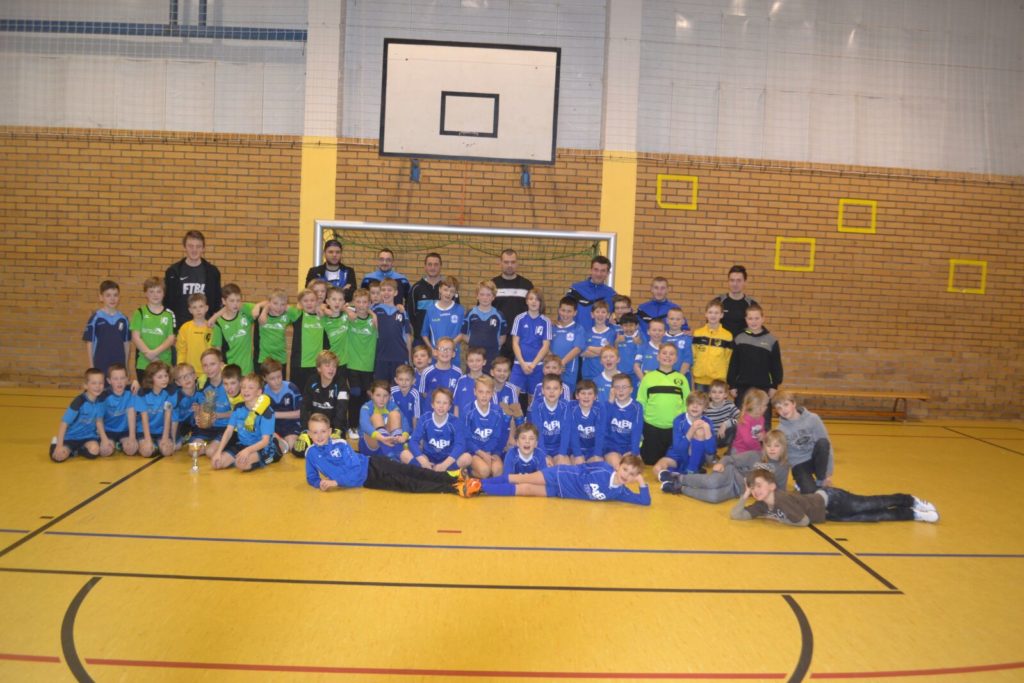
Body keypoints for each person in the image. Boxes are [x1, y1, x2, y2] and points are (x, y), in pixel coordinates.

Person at [305, 414, 480, 497]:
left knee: (411, 471)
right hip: (370, 480)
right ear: (309, 434)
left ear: (329, 431)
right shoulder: (311, 454)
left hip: (372, 465)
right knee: (409, 485)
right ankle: (454, 488)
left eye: (323, 431)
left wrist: (336, 482)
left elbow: (355, 470)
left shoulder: (341, 444)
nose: (319, 436)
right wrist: (319, 483)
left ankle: (452, 475)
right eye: (315, 432)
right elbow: (311, 477)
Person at [731, 468, 938, 525]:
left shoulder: (782, 499)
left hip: (832, 499)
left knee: (871, 503)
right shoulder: (762, 505)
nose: (756, 490)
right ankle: (913, 515)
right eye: (753, 488)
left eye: (759, 486)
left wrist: (777, 518)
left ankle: (911, 500)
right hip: (828, 515)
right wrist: (745, 495)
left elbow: (803, 521)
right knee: (874, 516)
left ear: (772, 486)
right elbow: (736, 515)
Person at [660, 429, 790, 502]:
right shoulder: (755, 455)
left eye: (776, 446)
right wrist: (721, 463)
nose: (772, 449)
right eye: (768, 445)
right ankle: (679, 478)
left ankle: (680, 489)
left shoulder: (783, 467)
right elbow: (730, 458)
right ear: (764, 446)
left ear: (783, 447)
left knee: (714, 497)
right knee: (712, 482)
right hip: (731, 474)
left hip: (737, 490)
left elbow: (780, 490)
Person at [479, 454, 651, 505]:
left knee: (525, 489)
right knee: (521, 478)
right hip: (560, 474)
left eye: (631, 474)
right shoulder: (604, 469)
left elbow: (644, 501)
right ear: (618, 466)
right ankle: (479, 483)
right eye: (625, 469)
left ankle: (481, 489)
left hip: (562, 492)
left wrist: (641, 482)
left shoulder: (620, 492)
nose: (626, 475)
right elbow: (582, 468)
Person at [727, 304, 783, 427]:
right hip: (742, 387)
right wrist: (732, 385)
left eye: (757, 318)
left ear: (763, 319)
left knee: (764, 421)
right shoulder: (739, 338)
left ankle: (765, 440)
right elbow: (734, 363)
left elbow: (776, 365)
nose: (753, 321)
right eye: (750, 318)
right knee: (740, 420)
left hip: (763, 387)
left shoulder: (771, 340)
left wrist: (774, 385)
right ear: (746, 320)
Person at [210, 372, 280, 471]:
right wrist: (218, 451)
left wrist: (247, 451)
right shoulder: (238, 407)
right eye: (243, 387)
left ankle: (274, 453)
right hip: (243, 444)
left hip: (262, 447)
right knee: (217, 463)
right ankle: (242, 457)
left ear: (259, 392)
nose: (246, 390)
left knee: (241, 465)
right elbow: (229, 431)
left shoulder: (267, 412)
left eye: (250, 388)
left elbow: (265, 441)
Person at [637, 344, 690, 466]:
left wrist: (683, 425)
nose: (668, 356)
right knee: (649, 462)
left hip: (674, 429)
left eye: (672, 354)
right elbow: (641, 402)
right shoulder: (648, 378)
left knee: (673, 462)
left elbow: (686, 404)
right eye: (664, 353)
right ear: (658, 356)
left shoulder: (681, 379)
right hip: (651, 428)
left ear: (676, 359)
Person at [773, 391, 834, 494]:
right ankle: (800, 483)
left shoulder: (813, 419)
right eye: (779, 408)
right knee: (810, 493)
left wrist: (827, 475)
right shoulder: (780, 430)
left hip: (816, 460)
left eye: (786, 405)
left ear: (794, 403)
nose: (783, 410)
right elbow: (782, 458)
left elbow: (828, 447)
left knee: (823, 443)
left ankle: (821, 479)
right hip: (799, 464)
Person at [164, 230, 222, 332]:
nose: (194, 250)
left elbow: (217, 303)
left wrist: (213, 322)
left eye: (198, 246)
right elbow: (167, 303)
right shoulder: (173, 272)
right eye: (190, 246)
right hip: (180, 328)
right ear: (185, 247)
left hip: (205, 328)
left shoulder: (212, 272)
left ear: (203, 248)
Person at [403, 387, 471, 472]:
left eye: (445, 403)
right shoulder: (425, 419)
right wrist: (423, 461)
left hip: (447, 459)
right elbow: (413, 441)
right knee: (404, 454)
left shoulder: (455, 422)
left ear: (450, 406)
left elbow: (460, 445)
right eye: (438, 402)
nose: (441, 406)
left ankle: (440, 471)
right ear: (432, 404)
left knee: (467, 458)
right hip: (428, 458)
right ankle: (429, 469)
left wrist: (445, 464)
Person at [295, 350, 349, 454]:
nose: (331, 369)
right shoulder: (312, 381)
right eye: (327, 365)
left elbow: (342, 409)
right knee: (298, 451)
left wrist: (337, 430)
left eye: (334, 366)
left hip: (333, 429)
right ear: (319, 368)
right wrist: (305, 430)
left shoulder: (341, 384)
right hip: (315, 428)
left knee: (334, 452)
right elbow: (304, 407)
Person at [50, 368, 107, 462]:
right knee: (58, 457)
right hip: (71, 437)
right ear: (86, 385)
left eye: (100, 383)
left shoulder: (100, 401)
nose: (97, 386)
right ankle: (56, 444)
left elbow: (99, 421)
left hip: (88, 437)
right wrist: (59, 446)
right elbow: (64, 423)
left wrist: (104, 439)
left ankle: (77, 451)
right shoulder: (79, 401)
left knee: (95, 451)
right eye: (94, 383)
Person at [653, 392, 715, 477]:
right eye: (692, 403)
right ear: (687, 405)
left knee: (700, 431)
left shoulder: (707, 422)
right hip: (677, 456)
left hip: (695, 459)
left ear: (705, 408)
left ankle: (690, 471)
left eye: (699, 404)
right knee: (657, 469)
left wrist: (707, 429)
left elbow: (711, 451)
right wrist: (691, 430)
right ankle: (680, 476)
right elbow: (678, 448)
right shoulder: (678, 420)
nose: (695, 406)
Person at [345, 288, 379, 437]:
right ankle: (352, 425)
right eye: (358, 302)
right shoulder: (349, 318)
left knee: (366, 396)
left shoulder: (373, 320)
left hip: (368, 365)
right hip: (352, 364)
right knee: (355, 393)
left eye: (364, 302)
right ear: (354, 303)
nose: (361, 305)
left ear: (369, 303)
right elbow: (335, 307)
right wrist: (347, 309)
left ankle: (362, 425)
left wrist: (373, 314)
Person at [462, 375, 509, 478]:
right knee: (484, 471)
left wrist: (493, 453)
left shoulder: (497, 412)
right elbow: (466, 438)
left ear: (492, 393)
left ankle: (487, 481)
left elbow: (499, 436)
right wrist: (481, 453)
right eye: (481, 392)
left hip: (491, 451)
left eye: (488, 392)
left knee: (498, 470)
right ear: (475, 392)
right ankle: (468, 472)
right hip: (474, 451)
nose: (484, 396)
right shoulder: (468, 411)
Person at [83, 280, 131, 378]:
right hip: (100, 364)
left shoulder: (124, 319)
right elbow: (90, 343)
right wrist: (91, 366)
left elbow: (126, 344)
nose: (112, 299)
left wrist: (126, 366)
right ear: (101, 297)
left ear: (119, 297)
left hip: (118, 365)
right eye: (108, 295)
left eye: (115, 295)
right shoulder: (96, 318)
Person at [510, 289, 553, 399]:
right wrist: (522, 363)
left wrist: (533, 364)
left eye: (537, 299)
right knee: (512, 397)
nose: (534, 302)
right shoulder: (519, 319)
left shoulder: (546, 321)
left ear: (541, 302)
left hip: (537, 367)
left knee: (534, 400)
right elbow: (515, 343)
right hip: (519, 365)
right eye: (531, 299)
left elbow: (546, 346)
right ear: (526, 301)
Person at [492, 249, 534, 359]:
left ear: (517, 263)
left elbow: (534, 311)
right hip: (498, 338)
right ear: (500, 263)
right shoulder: (492, 285)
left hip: (521, 338)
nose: (509, 265)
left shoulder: (527, 285)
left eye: (513, 262)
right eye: (506, 262)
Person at [410, 253, 459, 347]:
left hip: (443, 339)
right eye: (430, 264)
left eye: (436, 264)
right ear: (425, 266)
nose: (433, 268)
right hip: (420, 340)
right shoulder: (416, 288)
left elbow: (456, 313)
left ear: (441, 266)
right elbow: (411, 315)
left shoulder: (449, 289)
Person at [130, 277, 176, 375]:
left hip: (164, 362)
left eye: (158, 291)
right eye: (151, 291)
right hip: (144, 364)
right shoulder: (140, 313)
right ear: (146, 293)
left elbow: (171, 338)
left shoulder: (169, 314)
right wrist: (148, 354)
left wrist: (154, 353)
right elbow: (136, 337)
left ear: (164, 293)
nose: (155, 295)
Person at [287, 288, 328, 394]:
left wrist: (322, 306)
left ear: (317, 301)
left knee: (316, 395)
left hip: (317, 366)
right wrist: (263, 308)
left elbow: (339, 308)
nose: (309, 303)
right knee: (299, 395)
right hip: (299, 365)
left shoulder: (323, 316)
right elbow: (278, 303)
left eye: (312, 300)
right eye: (305, 301)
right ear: (300, 303)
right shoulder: (297, 315)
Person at [209, 283, 257, 375]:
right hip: (230, 372)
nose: (235, 304)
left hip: (247, 371)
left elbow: (265, 305)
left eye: (238, 300)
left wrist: (259, 306)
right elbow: (217, 349)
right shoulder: (219, 323)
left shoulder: (245, 313)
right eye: (231, 301)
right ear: (224, 301)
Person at [131, 361, 175, 457]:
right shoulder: (142, 394)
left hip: (160, 431)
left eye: (166, 376)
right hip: (145, 431)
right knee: (147, 452)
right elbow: (144, 418)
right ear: (151, 378)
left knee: (167, 452)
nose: (164, 379)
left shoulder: (169, 393)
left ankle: (157, 446)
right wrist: (148, 439)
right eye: (160, 377)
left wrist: (165, 438)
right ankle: (148, 445)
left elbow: (168, 415)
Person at [373, 278, 413, 383]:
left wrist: (409, 359)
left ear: (395, 292)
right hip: (381, 357)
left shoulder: (402, 312)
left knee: (397, 388)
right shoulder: (375, 310)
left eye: (389, 290)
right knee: (381, 388)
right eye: (383, 290)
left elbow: (407, 336)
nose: (386, 293)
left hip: (399, 357)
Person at [359, 380, 410, 461]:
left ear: (390, 396)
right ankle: (391, 456)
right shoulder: (366, 407)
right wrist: (381, 437)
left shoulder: (392, 405)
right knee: (376, 416)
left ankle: (398, 453)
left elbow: (404, 421)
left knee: (395, 414)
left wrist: (404, 435)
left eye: (385, 396)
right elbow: (364, 424)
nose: (382, 399)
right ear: (371, 395)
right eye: (378, 395)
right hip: (371, 446)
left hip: (389, 443)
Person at [691, 298, 733, 393]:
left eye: (716, 313)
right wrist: (695, 371)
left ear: (721, 315)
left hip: (718, 381)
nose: (713, 315)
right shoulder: (698, 333)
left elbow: (728, 359)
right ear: (706, 314)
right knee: (700, 402)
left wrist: (726, 378)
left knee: (716, 403)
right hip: (700, 380)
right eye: (710, 312)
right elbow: (694, 355)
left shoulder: (727, 336)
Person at [462, 280, 506, 370]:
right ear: (477, 296)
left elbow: (502, 338)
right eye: (482, 294)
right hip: (474, 355)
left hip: (492, 355)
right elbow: (464, 335)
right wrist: (474, 342)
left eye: (488, 295)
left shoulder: (499, 315)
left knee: (490, 378)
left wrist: (491, 344)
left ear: (493, 297)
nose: (485, 298)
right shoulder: (470, 313)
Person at [528, 374, 572, 465]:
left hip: (559, 447)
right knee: (546, 466)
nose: (552, 392)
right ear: (542, 390)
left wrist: (562, 454)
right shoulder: (537, 405)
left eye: (555, 388)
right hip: (541, 447)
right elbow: (538, 431)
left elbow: (566, 431)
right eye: (548, 388)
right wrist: (543, 455)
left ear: (561, 391)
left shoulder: (566, 406)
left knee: (564, 465)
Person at [261, 359, 302, 455]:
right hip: (272, 427)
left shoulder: (291, 388)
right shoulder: (262, 392)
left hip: (290, 426)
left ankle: (282, 442)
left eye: (279, 376)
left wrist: (274, 414)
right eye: (272, 379)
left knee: (293, 446)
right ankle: (278, 440)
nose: (277, 381)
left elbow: (300, 413)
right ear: (264, 378)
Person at [422, 276, 466, 367]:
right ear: (440, 290)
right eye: (445, 290)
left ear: (455, 293)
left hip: (453, 355)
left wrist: (448, 348)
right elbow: (424, 334)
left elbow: (462, 333)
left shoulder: (460, 310)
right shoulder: (431, 310)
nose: (448, 293)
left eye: (452, 291)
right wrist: (432, 349)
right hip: (436, 356)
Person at [602, 373, 643, 468]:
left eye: (624, 387)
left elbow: (636, 431)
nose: (620, 390)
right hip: (611, 447)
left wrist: (634, 452)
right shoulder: (607, 405)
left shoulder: (637, 407)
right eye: (617, 387)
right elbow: (603, 428)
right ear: (612, 390)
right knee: (618, 466)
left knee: (634, 468)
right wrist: (610, 402)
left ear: (631, 389)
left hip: (629, 448)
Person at [566, 255, 617, 331]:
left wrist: (616, 321)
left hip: (601, 338)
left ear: (608, 273)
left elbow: (625, 313)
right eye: (596, 270)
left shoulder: (611, 294)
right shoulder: (576, 289)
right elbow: (564, 311)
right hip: (578, 337)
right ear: (590, 270)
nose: (599, 274)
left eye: (603, 271)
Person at [417, 337, 462, 416]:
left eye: (449, 349)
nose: (445, 352)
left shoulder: (458, 372)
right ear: (435, 352)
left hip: (450, 414)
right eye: (441, 349)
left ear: (453, 354)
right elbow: (423, 394)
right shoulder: (427, 372)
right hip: (430, 413)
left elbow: (458, 396)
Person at [550, 296, 586, 394]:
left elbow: (577, 349)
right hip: (552, 369)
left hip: (569, 371)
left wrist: (561, 364)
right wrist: (554, 365)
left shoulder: (578, 329)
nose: (565, 314)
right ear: (559, 310)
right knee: (551, 394)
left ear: (575, 313)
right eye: (563, 310)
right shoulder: (552, 327)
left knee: (567, 396)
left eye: (569, 311)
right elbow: (546, 347)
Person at [99, 364, 137, 456]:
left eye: (122, 378)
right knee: (105, 451)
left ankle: (120, 444)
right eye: (115, 379)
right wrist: (104, 439)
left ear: (127, 379)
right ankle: (115, 444)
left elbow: (132, 415)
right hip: (108, 431)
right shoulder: (104, 396)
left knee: (131, 450)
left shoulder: (131, 392)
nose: (119, 382)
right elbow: (98, 419)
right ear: (109, 381)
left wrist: (132, 438)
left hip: (125, 431)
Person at [566, 380, 605, 464]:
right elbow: (572, 433)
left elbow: (600, 433)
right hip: (575, 449)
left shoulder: (600, 408)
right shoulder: (571, 407)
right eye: (583, 393)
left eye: (590, 394)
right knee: (577, 465)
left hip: (593, 449)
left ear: (595, 396)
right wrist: (578, 454)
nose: (586, 397)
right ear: (577, 395)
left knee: (598, 463)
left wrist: (597, 454)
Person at [174, 293, 212, 378]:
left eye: (201, 306)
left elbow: (214, 350)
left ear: (206, 308)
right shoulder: (185, 328)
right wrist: (181, 368)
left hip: (208, 372)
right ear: (190, 310)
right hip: (189, 373)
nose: (198, 310)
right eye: (194, 307)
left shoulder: (211, 328)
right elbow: (181, 351)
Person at [581, 300, 617, 381]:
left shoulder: (612, 333)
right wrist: (601, 351)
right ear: (592, 314)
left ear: (608, 315)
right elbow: (582, 352)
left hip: (605, 374)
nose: (600, 314)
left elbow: (608, 352)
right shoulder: (586, 333)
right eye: (597, 312)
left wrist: (589, 347)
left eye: (603, 312)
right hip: (587, 374)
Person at [720, 265, 757, 338]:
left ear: (745, 282)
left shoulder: (752, 305)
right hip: (722, 343)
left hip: (743, 343)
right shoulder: (718, 302)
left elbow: (756, 329)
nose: (735, 284)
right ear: (728, 281)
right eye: (732, 280)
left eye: (739, 280)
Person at [453, 347, 491, 417]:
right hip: (463, 422)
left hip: (481, 422)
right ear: (467, 362)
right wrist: (456, 421)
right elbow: (456, 405)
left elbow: (492, 405)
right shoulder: (461, 380)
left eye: (478, 360)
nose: (474, 363)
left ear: (484, 362)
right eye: (471, 361)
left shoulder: (488, 381)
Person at [732, 388, 769, 455]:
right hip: (740, 450)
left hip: (752, 449)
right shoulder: (744, 420)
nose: (766, 407)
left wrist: (763, 435)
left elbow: (762, 430)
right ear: (758, 408)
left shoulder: (761, 418)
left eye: (766, 405)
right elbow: (748, 440)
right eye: (764, 405)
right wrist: (759, 450)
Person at [705, 380, 740, 449]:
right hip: (711, 439)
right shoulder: (705, 408)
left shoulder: (729, 405)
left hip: (726, 437)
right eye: (714, 392)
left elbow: (741, 418)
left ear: (725, 395)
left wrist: (725, 424)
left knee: (735, 427)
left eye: (720, 392)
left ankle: (730, 450)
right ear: (709, 394)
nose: (717, 395)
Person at [390, 364, 421, 431]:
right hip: (394, 427)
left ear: (413, 381)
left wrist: (414, 433)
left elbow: (415, 416)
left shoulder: (415, 394)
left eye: (407, 380)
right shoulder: (392, 391)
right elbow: (389, 412)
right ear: (396, 380)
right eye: (401, 379)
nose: (404, 383)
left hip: (409, 429)